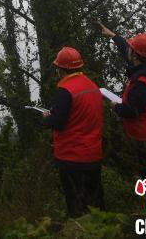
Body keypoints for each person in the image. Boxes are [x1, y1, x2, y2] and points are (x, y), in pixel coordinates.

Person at [98, 23, 146, 184]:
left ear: (135, 55)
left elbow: (131, 111)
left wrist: (116, 106)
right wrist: (113, 36)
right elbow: (126, 51)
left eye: (131, 48)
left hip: (144, 135)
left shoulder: (142, 81)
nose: (128, 49)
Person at [43, 46, 104, 217]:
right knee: (95, 202)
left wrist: (47, 117)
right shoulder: (92, 86)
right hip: (93, 154)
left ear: (61, 69)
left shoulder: (65, 91)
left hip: (72, 157)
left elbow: (58, 122)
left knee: (77, 204)